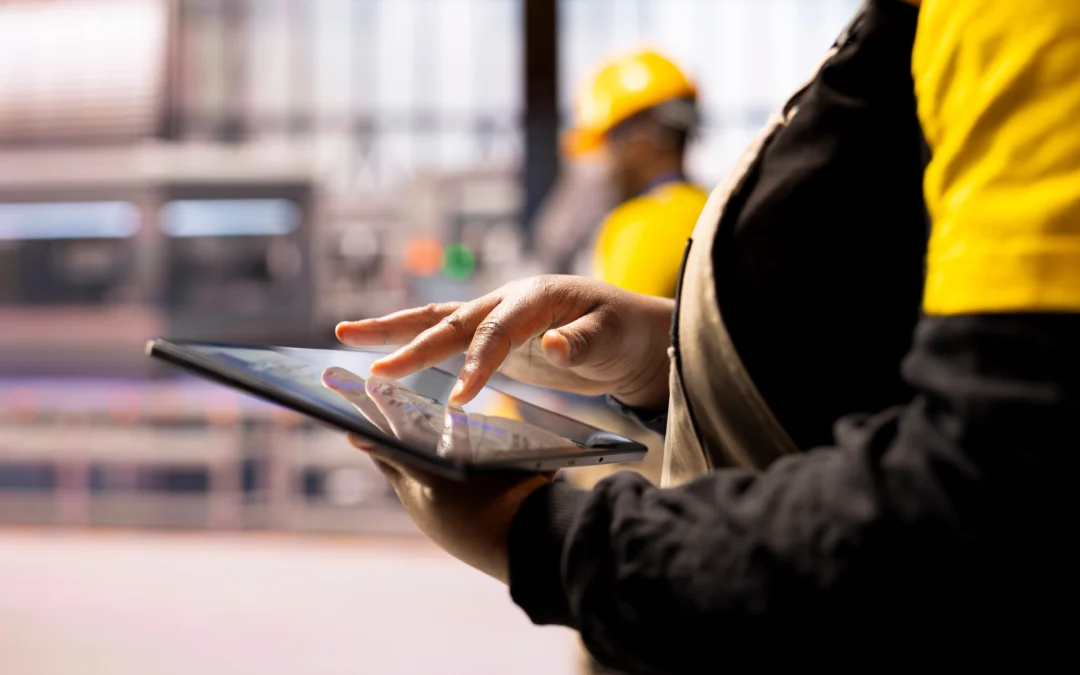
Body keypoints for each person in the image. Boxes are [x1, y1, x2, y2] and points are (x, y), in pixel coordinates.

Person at [335, 0, 1078, 670]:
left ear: (633, 141)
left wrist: (543, 536)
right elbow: (876, 351)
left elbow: (990, 494)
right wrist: (670, 357)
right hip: (738, 524)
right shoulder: (727, 186)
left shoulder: (1018, 25)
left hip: (701, 542)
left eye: (605, 144)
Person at [565, 49, 709, 299]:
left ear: (641, 139)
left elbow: (613, 322)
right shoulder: (711, 210)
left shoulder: (638, 228)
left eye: (608, 145)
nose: (605, 162)